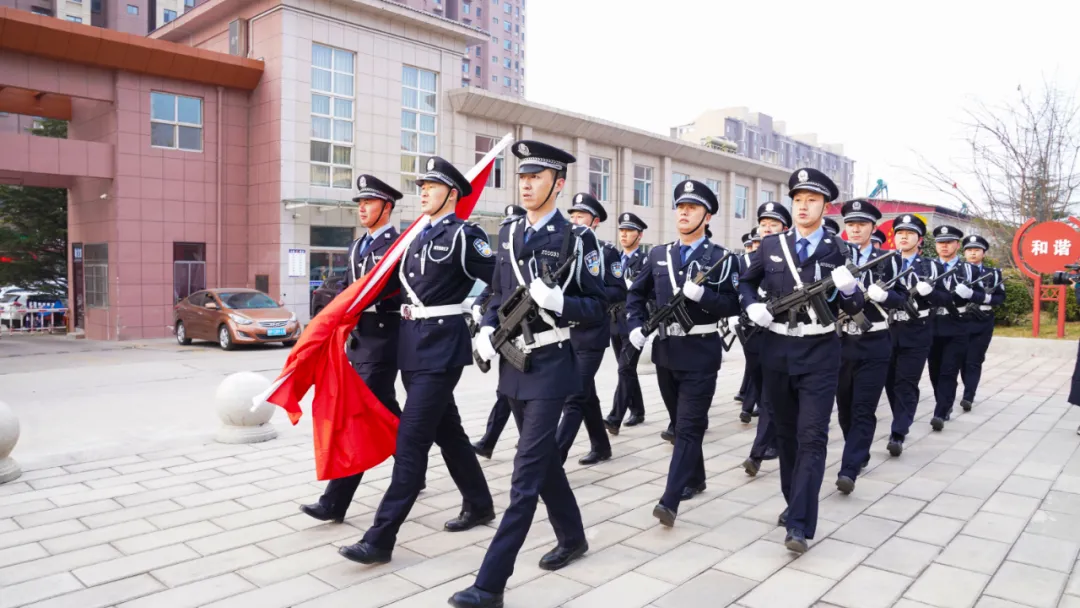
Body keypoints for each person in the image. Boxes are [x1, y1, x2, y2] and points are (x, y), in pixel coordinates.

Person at [449, 141, 605, 608]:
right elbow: (498, 292)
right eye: (523, 177)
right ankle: (573, 537)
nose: (527, 183)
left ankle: (490, 584)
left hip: (553, 366)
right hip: (513, 365)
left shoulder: (579, 241)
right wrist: (486, 325)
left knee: (524, 475)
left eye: (536, 177)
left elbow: (600, 304)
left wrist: (562, 304)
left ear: (557, 184)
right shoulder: (510, 232)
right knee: (545, 466)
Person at [339, 157, 496, 565]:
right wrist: (337, 314)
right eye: (421, 185)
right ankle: (479, 503)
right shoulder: (413, 238)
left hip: (442, 349)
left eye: (432, 185)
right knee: (450, 432)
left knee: (410, 443)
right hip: (411, 347)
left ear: (453, 193)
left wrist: (480, 315)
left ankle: (380, 538)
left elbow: (501, 279)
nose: (423, 190)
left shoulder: (465, 235)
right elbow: (378, 288)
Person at [738, 168, 865, 553]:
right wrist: (752, 306)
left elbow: (856, 307)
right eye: (798, 200)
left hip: (821, 353)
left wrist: (849, 289)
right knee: (787, 436)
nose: (803, 206)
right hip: (777, 351)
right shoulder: (771, 245)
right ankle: (794, 501)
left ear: (826, 206)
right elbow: (745, 282)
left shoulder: (839, 249)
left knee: (813, 437)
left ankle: (799, 525)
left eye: (811, 200)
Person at [625, 179, 740, 527]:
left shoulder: (721, 258)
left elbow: (734, 304)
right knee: (681, 423)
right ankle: (697, 477)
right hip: (666, 351)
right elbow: (635, 295)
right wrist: (634, 324)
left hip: (701, 352)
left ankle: (669, 499)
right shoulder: (659, 254)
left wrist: (703, 297)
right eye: (680, 207)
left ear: (707, 216)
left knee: (688, 428)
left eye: (692, 208)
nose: (684, 213)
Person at [300, 174, 404, 523]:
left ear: (387, 207)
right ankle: (412, 462)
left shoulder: (398, 245)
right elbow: (346, 288)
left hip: (385, 340)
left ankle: (335, 501)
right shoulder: (357, 246)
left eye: (369, 203)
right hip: (359, 341)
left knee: (355, 418)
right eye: (359, 203)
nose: (362, 208)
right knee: (393, 418)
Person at [834, 199, 904, 495]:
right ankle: (858, 450)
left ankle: (848, 469)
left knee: (864, 407)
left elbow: (902, 299)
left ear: (873, 228)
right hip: (839, 342)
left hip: (874, 341)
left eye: (861, 224)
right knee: (845, 408)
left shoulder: (889, 259)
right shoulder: (833, 256)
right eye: (850, 224)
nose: (855, 229)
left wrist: (885, 297)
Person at [555, 192, 619, 465]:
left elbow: (618, 290)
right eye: (572, 215)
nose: (574, 220)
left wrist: (589, 296)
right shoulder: (563, 247)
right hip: (566, 333)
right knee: (586, 395)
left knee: (573, 395)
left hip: (591, 333)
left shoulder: (605, 251)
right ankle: (601, 446)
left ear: (594, 221)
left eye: (580, 215)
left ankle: (554, 461)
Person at [883, 215, 949, 456]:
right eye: (900, 232)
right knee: (890, 382)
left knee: (906, 381)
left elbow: (946, 299)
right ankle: (902, 414)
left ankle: (898, 432)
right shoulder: (884, 262)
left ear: (919, 239)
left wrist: (929, 292)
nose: (903, 236)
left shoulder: (931, 266)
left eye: (909, 233)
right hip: (887, 330)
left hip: (917, 330)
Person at [471, 205, 527, 459]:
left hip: (525, 332)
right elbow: (495, 286)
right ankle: (491, 441)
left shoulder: (527, 253)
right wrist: (479, 307)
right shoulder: (505, 255)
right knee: (506, 392)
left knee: (511, 392)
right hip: (505, 327)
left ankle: (524, 441)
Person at [740, 202, 792, 476]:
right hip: (754, 332)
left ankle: (758, 452)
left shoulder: (792, 253)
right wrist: (749, 306)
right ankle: (772, 439)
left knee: (771, 397)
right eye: (763, 224)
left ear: (785, 228)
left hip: (783, 334)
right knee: (763, 392)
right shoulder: (752, 257)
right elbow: (742, 286)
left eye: (773, 224)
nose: (767, 228)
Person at [604, 212, 649, 435]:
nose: (624, 234)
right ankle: (638, 410)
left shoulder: (645, 261)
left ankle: (614, 417)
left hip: (634, 323)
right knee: (627, 370)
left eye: (629, 231)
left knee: (625, 368)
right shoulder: (613, 259)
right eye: (621, 230)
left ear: (639, 236)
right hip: (614, 321)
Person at [928, 225, 976, 432]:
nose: (944, 246)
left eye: (949, 242)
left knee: (949, 369)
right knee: (934, 371)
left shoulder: (969, 269)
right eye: (940, 242)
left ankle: (941, 410)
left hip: (957, 325)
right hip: (932, 324)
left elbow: (982, 295)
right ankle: (944, 400)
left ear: (957, 244)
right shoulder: (926, 267)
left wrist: (971, 295)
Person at [959, 235, 1005, 411]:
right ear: (964, 252)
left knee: (974, 360)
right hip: (961, 320)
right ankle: (967, 388)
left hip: (982, 321)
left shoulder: (993, 273)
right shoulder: (957, 271)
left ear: (983, 253)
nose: (972, 253)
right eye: (969, 250)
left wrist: (982, 297)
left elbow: (1000, 298)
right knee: (962, 360)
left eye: (976, 250)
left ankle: (968, 395)